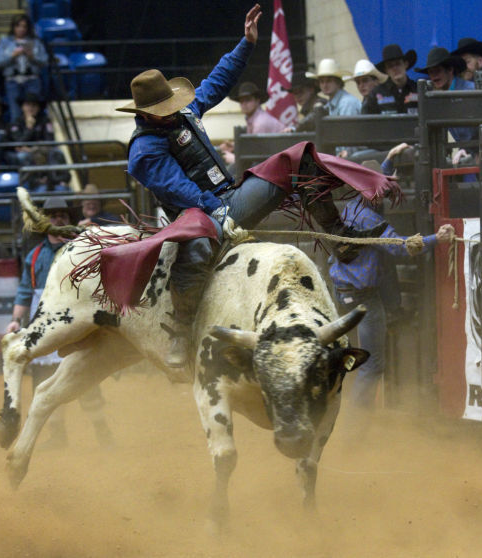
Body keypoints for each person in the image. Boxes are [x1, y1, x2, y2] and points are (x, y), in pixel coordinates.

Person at [119, 4, 388, 369]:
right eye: (165, 105)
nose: (173, 108)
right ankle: (181, 330)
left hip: (227, 199)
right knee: (196, 248)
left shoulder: (180, 113)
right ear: (147, 113)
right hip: (195, 214)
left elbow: (216, 83)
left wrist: (245, 44)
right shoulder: (144, 150)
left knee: (297, 160)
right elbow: (177, 187)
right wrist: (215, 210)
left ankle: (337, 235)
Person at [329, 166, 455, 408]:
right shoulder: (369, 219)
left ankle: (353, 418)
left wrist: (388, 161)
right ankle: (356, 427)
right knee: (372, 364)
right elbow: (400, 247)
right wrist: (436, 239)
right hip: (363, 298)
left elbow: (372, 181)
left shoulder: (353, 206)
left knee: (361, 360)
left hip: (345, 292)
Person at [5, 197, 113, 449]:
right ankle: (57, 435)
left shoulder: (82, 247)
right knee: (44, 380)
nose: (58, 219)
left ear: (69, 218)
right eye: (52, 215)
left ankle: (102, 431)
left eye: (62, 215)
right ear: (46, 221)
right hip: (43, 321)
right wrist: (14, 321)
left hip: (76, 321)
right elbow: (24, 290)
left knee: (84, 376)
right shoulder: (35, 256)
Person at [415, 47, 476, 169]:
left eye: (437, 71)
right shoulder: (439, 97)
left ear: (450, 70)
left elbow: (478, 127)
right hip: (468, 151)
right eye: (431, 73)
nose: (434, 77)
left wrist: (469, 149)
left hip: (480, 150)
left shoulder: (469, 91)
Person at [0, 14, 48, 122]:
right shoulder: (5, 42)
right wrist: (12, 56)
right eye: (18, 26)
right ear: (13, 27)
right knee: (15, 112)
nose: (21, 29)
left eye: (24, 26)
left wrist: (32, 57)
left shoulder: (36, 42)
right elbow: (0, 62)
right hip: (12, 80)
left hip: (32, 79)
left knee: (34, 111)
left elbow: (44, 61)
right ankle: (18, 136)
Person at [306, 58, 361, 156]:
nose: (325, 85)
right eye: (322, 81)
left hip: (354, 158)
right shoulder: (330, 104)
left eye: (329, 81)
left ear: (338, 82)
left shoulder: (346, 103)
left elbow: (348, 138)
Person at [363, 44, 418, 115]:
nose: (395, 68)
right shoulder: (376, 94)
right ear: (386, 70)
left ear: (406, 64)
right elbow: (368, 123)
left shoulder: (418, 90)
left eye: (398, 64)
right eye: (390, 66)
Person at [7, 92, 56, 167]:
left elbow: (49, 140)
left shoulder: (45, 120)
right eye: (27, 105)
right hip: (24, 152)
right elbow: (18, 144)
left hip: (41, 150)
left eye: (34, 105)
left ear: (38, 108)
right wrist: (29, 128)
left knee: (56, 153)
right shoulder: (16, 122)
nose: (31, 108)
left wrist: (33, 149)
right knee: (22, 156)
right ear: (22, 107)